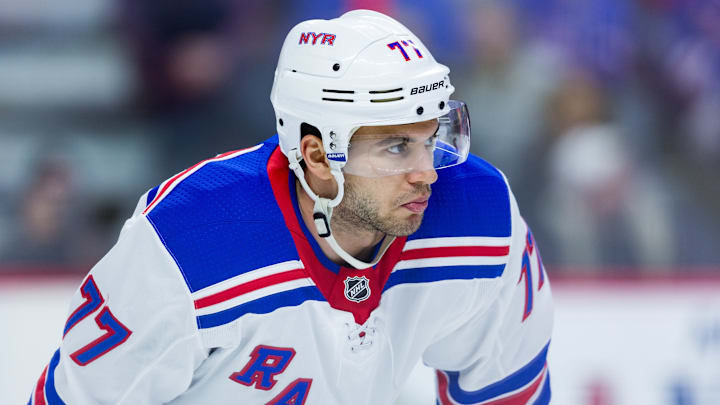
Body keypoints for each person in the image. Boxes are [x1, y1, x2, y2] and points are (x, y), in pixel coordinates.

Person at [30, 10, 552, 404]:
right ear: (317, 156)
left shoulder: (478, 212)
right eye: (396, 147)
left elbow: (505, 390)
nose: (427, 173)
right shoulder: (189, 240)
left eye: (429, 137)